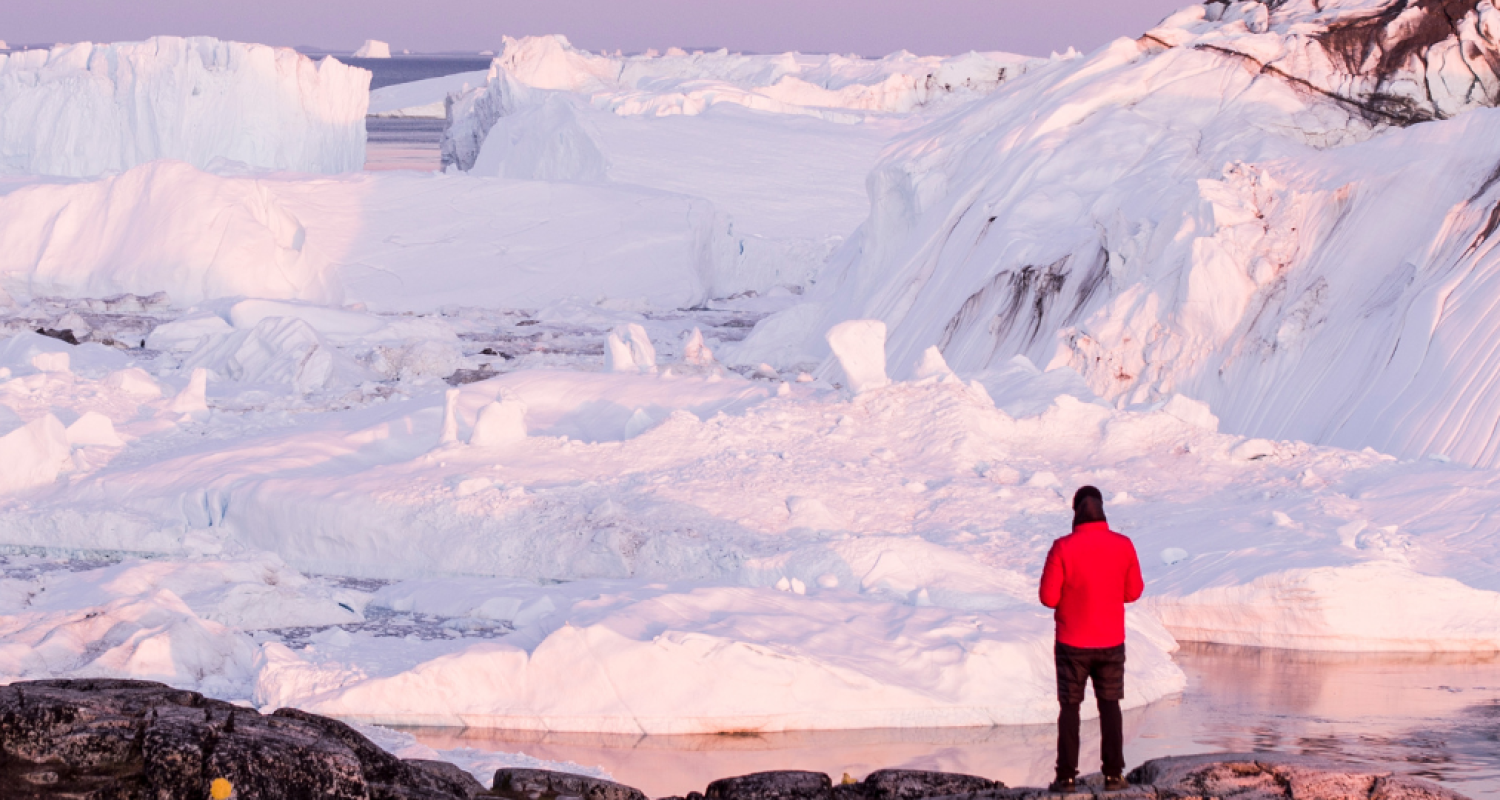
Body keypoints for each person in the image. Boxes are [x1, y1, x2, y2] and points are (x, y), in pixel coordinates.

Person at [1038, 486, 1144, 793]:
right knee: (1110, 705)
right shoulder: (1123, 545)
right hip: (1111, 642)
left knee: (1070, 708)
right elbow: (1133, 592)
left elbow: (1047, 597)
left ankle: (1066, 778)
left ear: (1075, 513)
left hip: (1072, 644)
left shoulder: (1062, 547)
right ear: (1102, 510)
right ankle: (1113, 775)